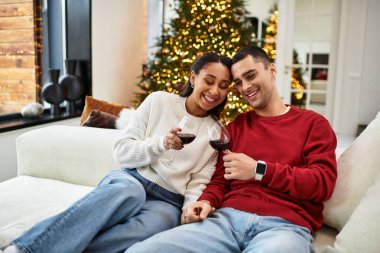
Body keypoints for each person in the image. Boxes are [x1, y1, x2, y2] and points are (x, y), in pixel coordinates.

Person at [4, 52, 232, 253]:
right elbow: (122, 152)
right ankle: (27, 249)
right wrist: (160, 144)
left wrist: (188, 209)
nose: (215, 91)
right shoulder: (159, 101)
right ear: (193, 78)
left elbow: (198, 181)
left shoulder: (215, 132)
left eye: (223, 86)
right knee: (130, 191)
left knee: (151, 226)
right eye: (209, 81)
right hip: (134, 177)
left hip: (168, 200)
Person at [125, 46, 337, 253]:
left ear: (271, 70)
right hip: (225, 222)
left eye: (251, 76)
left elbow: (322, 184)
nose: (245, 87)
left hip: (285, 228)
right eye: (238, 82)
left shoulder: (313, 124)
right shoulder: (236, 127)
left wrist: (259, 170)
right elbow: (219, 181)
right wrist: (206, 201)